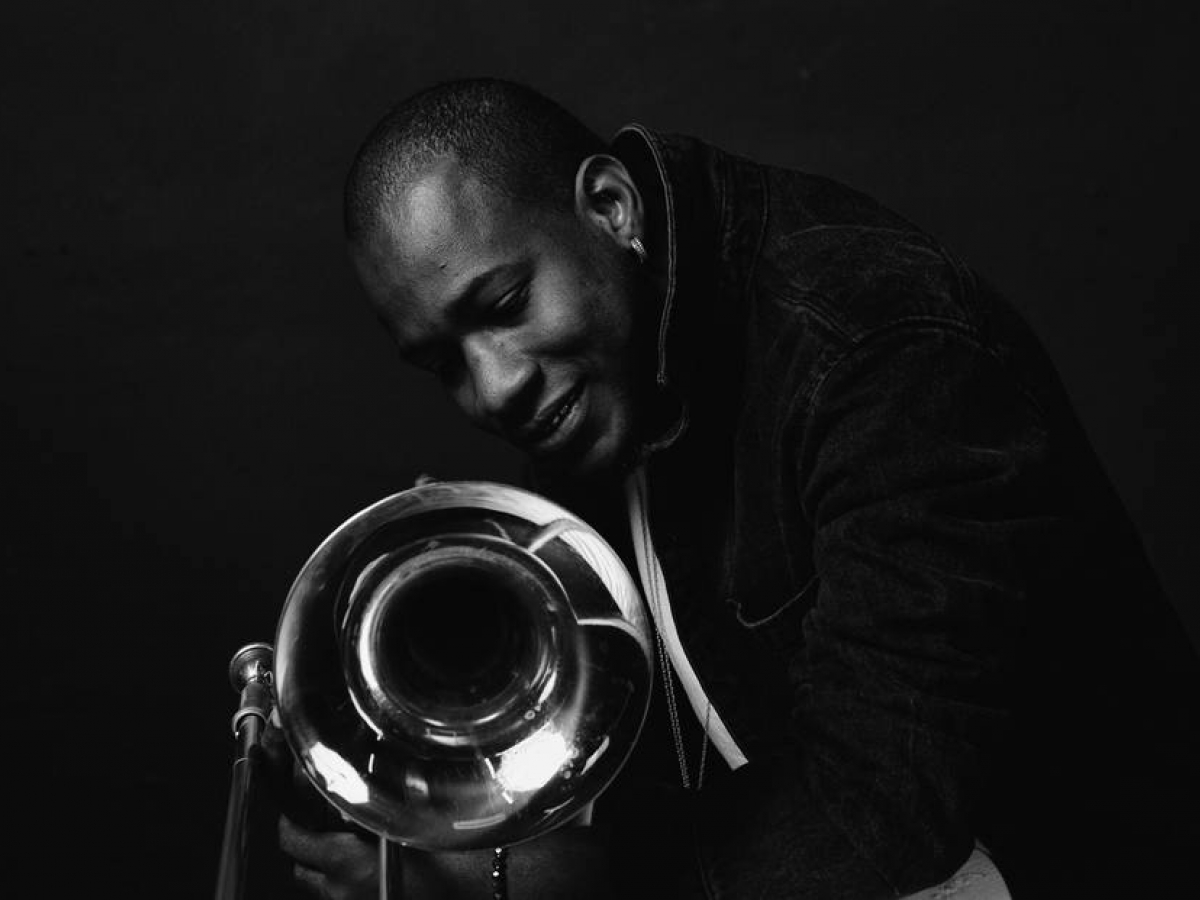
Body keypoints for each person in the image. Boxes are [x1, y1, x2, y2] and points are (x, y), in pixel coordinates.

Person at [268, 78, 1200, 899]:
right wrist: (442, 706)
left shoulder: (879, 352)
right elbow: (649, 764)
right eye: (444, 364)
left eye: (506, 306)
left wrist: (510, 881)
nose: (494, 387)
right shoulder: (602, 383)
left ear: (611, 207)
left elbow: (879, 817)